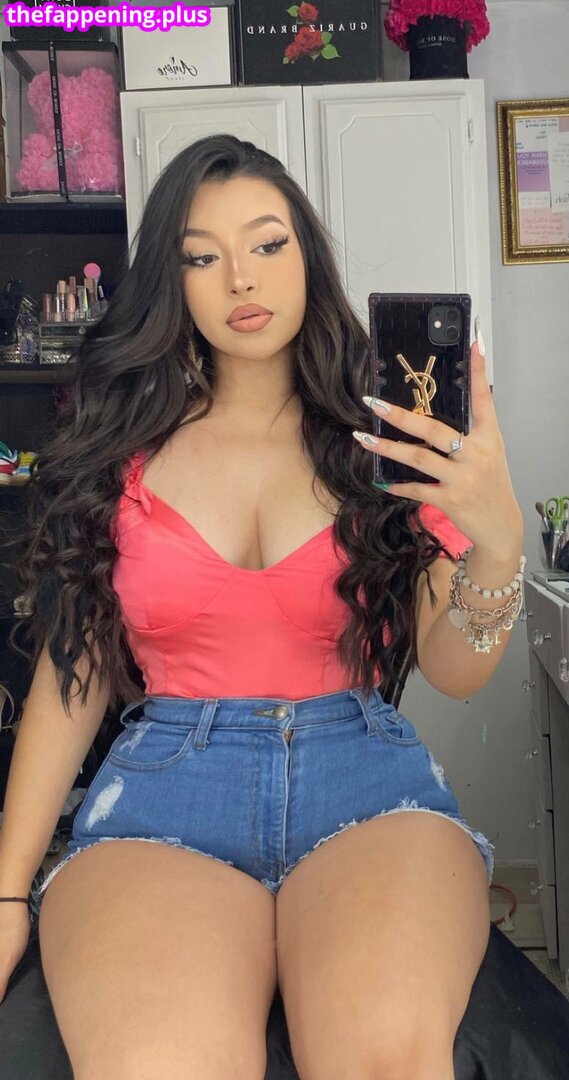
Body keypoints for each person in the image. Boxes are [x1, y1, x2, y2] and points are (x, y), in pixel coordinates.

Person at [0, 134, 525, 1079]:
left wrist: (497, 542)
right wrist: (4, 896)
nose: (241, 277)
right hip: (163, 799)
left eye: (267, 243)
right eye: (201, 257)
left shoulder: (387, 440)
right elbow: (71, 680)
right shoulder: (123, 452)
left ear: (306, 256)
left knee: (384, 1058)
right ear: (172, 283)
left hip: (367, 791)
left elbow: (455, 669)